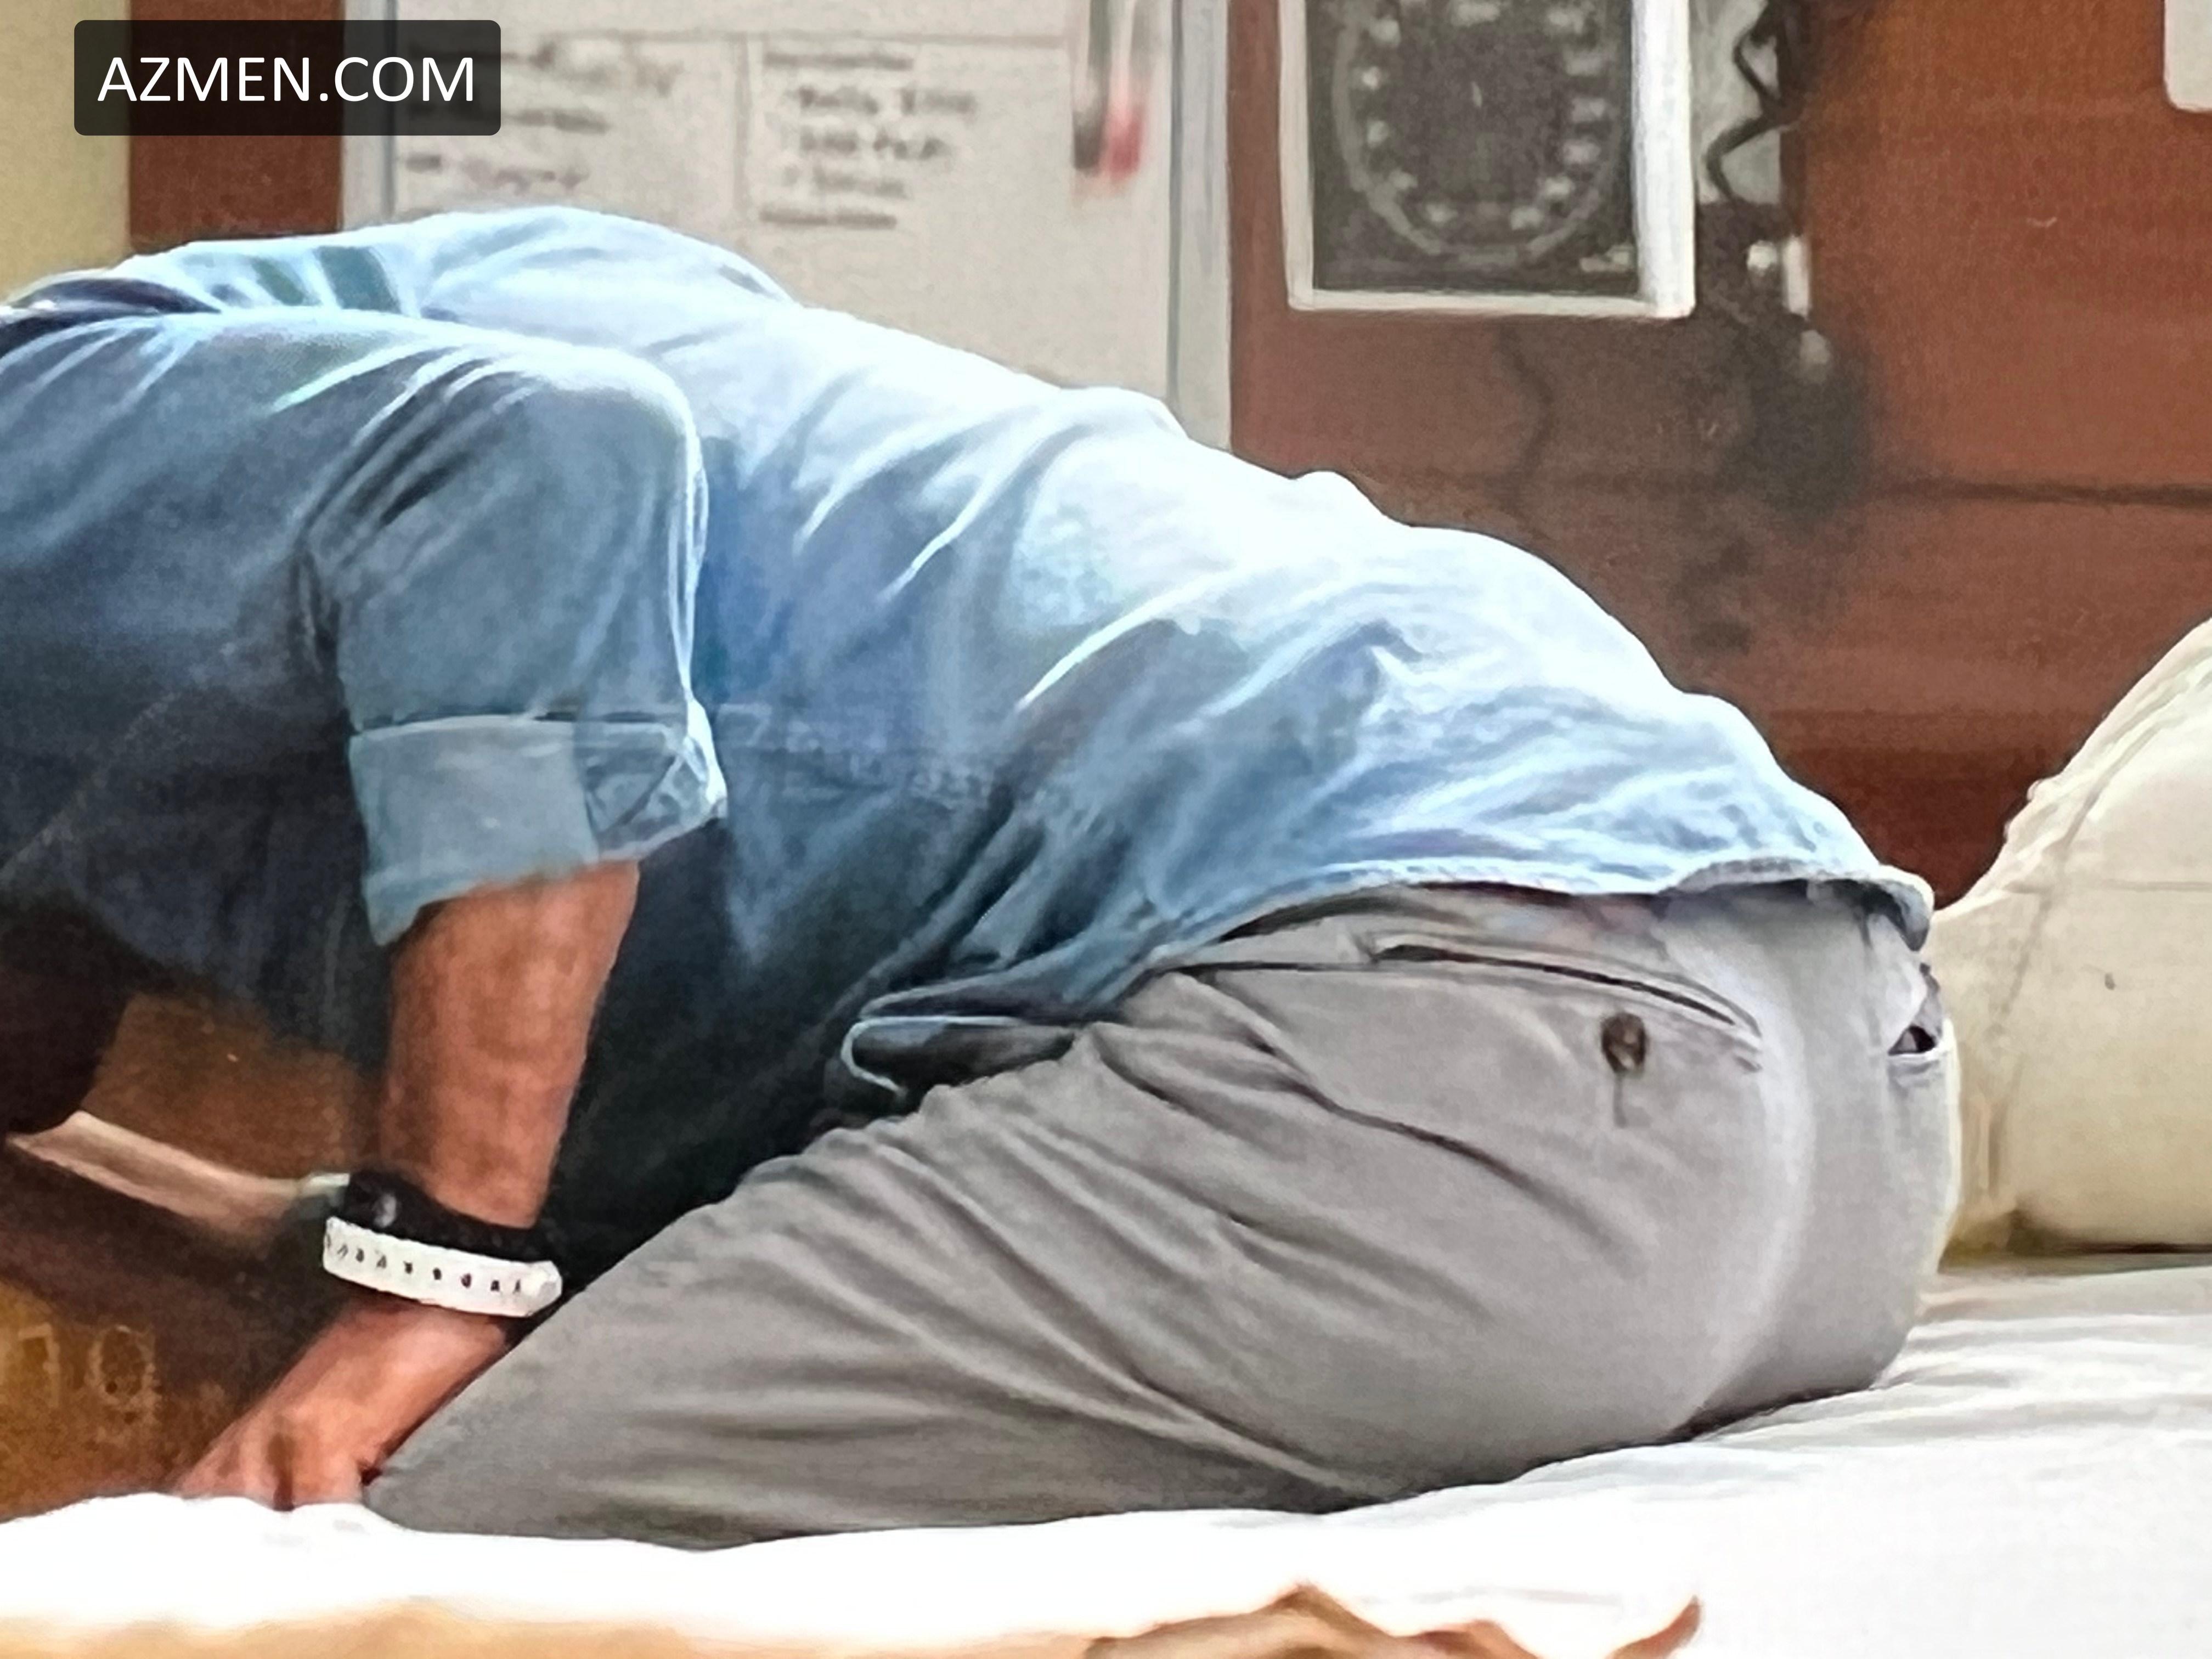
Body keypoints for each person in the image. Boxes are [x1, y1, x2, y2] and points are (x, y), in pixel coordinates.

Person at [0, 206, 1954, 1546]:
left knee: (366, 1572)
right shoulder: (429, 302)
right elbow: (469, 1312)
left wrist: (431, 1268)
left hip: (1441, 1067)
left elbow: (545, 466)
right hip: (1829, 1101)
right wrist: (402, 1276)